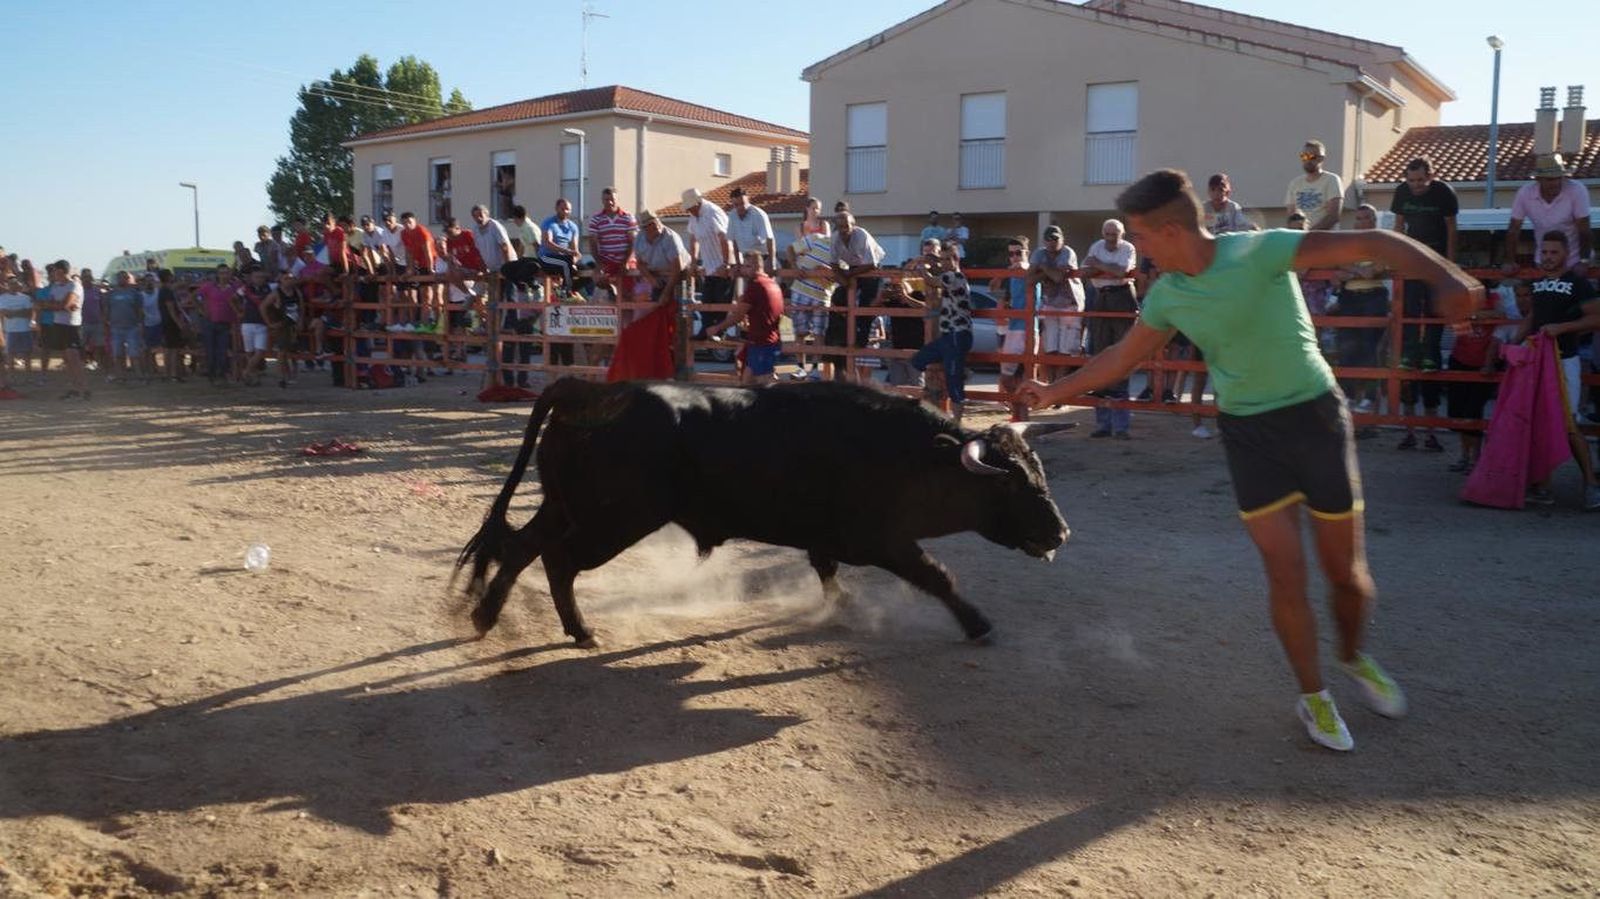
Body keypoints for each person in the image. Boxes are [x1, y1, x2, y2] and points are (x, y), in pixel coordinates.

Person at [1020, 168, 1483, 752]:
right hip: (1248, 434)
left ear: (1170, 231)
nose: (1135, 246)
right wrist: (1053, 391)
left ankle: (1352, 656)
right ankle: (1314, 695)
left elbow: (1373, 242)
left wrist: (1448, 275)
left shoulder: (1260, 251)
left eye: (1140, 235)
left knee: (1346, 576)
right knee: (1285, 574)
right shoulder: (1168, 295)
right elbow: (1121, 357)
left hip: (1316, 419)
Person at [1510, 230, 1600, 509]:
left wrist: (1562, 328)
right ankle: (1543, 487)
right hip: (1537, 361)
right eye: (1545, 252)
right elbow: (1533, 318)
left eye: (1554, 252)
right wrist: (1513, 345)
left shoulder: (1578, 284)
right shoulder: (1538, 285)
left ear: (1566, 254)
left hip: (1565, 360)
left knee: (1569, 424)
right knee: (1537, 423)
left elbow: (1596, 318)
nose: (1548, 257)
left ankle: (1591, 485)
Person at [1331, 205, 1397, 423]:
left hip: (1373, 296)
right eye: (1358, 218)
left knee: (1370, 347)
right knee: (1346, 347)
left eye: (1365, 218)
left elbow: (1377, 268)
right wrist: (1358, 270)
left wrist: (1351, 272)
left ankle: (1369, 397)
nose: (1361, 222)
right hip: (1349, 297)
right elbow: (1339, 264)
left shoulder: (1382, 241)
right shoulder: (1349, 242)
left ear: (1373, 220)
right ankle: (1348, 396)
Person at [1082, 219, 1138, 437]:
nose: (1110, 238)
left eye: (1114, 234)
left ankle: (1121, 425)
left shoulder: (1128, 248)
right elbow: (1085, 271)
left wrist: (1098, 265)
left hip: (1122, 298)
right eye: (1107, 234)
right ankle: (1103, 424)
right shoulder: (1096, 246)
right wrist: (1106, 268)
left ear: (1121, 234)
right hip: (1100, 298)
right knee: (1100, 357)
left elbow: (1122, 271)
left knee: (1123, 356)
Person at [911, 239, 974, 423]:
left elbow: (931, 280)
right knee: (919, 360)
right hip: (951, 335)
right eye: (943, 259)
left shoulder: (954, 277)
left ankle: (957, 421)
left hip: (957, 334)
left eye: (947, 259)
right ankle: (947, 381)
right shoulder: (953, 277)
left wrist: (922, 269)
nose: (944, 263)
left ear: (956, 259)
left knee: (954, 382)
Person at [1443, 287, 1504, 474]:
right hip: (1460, 359)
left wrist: (1471, 315)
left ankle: (1475, 458)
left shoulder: (1494, 297)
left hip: (1483, 362)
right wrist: (1475, 316)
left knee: (1473, 411)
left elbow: (1500, 314)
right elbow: (1454, 322)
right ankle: (1465, 456)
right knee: (1458, 412)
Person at [1504, 154, 1593, 274]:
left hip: (1575, 261)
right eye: (1550, 179)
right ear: (1538, 179)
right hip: (1544, 262)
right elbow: (1513, 229)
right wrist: (1509, 261)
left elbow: (1584, 229)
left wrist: (1584, 261)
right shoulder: (1525, 193)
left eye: (1559, 178)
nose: (1555, 183)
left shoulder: (1577, 190)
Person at [705, 251, 784, 385]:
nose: (743, 270)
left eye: (747, 266)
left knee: (766, 382)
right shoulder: (773, 284)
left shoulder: (756, 286)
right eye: (743, 266)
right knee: (747, 382)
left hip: (762, 343)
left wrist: (717, 328)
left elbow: (738, 316)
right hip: (767, 341)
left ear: (757, 266)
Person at [831, 210, 886, 383]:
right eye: (840, 227)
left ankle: (861, 340)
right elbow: (833, 264)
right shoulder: (834, 238)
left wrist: (848, 275)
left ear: (853, 225)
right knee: (838, 298)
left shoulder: (861, 235)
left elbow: (872, 264)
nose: (843, 230)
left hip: (870, 269)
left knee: (866, 304)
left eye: (846, 226)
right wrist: (844, 280)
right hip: (852, 270)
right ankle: (843, 336)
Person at [1028, 224, 1086, 384]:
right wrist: (1047, 272)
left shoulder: (1067, 252)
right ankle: (1053, 385)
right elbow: (1029, 279)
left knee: (1066, 351)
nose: (1052, 242)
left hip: (1070, 305)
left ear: (1062, 240)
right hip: (1050, 305)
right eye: (1048, 239)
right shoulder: (1039, 253)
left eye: (1055, 239)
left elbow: (1058, 277)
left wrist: (1043, 268)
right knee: (1050, 349)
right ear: (1044, 241)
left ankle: (1060, 386)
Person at [993, 236, 1036, 421]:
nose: (1015, 257)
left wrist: (1020, 269)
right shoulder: (1010, 274)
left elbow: (1032, 274)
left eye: (1019, 253)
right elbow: (994, 289)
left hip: (1028, 327)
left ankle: (1022, 414)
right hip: (1012, 327)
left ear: (1027, 253)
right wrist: (1004, 275)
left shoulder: (1031, 270)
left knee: (1025, 375)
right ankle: (1018, 410)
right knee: (1008, 376)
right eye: (1011, 254)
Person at [786, 228, 834, 380]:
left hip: (822, 296)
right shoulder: (816, 238)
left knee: (819, 334)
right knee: (800, 332)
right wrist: (794, 268)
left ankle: (814, 370)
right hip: (800, 290)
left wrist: (829, 271)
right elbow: (790, 249)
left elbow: (843, 277)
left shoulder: (845, 253)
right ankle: (800, 368)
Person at [586, 187, 638, 319]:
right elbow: (592, 243)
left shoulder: (628, 217)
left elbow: (633, 241)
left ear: (616, 199)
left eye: (612, 199)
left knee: (628, 293)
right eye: (606, 199)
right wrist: (599, 263)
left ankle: (628, 321)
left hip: (625, 259)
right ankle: (611, 291)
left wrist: (626, 261)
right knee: (598, 279)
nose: (609, 202)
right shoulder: (596, 219)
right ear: (602, 200)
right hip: (607, 260)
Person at [42, 261, 89, 399]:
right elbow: (49, 304)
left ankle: (84, 389)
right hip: (58, 324)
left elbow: (65, 304)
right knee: (66, 359)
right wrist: (58, 305)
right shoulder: (55, 287)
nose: (53, 275)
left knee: (74, 358)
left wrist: (58, 305)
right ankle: (74, 388)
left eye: (55, 271)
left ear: (62, 271)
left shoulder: (74, 285)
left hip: (72, 325)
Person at [1285, 139, 1343, 231]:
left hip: (1324, 237)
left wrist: (1310, 234)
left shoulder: (1332, 180)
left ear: (1321, 158)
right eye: (1304, 156)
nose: (1307, 160)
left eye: (1312, 157)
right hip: (1300, 237)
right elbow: (1291, 217)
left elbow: (1333, 216)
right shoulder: (1295, 184)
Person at [260, 273, 305, 389]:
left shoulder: (297, 292)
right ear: (280, 280)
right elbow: (263, 306)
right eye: (286, 278)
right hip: (282, 325)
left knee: (294, 351)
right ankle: (282, 377)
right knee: (282, 352)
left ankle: (293, 374)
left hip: (294, 325)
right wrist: (270, 323)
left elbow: (301, 308)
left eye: (291, 278)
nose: (289, 280)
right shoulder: (276, 293)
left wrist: (300, 321)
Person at [196, 264, 237, 386]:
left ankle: (221, 375)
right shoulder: (209, 286)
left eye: (226, 273)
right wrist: (202, 310)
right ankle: (213, 375)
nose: (224, 275)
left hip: (226, 323)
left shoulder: (234, 287)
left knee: (223, 351)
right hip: (210, 322)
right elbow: (195, 296)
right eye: (222, 273)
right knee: (211, 351)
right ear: (218, 275)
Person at [104, 271, 146, 382]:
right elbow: (107, 310)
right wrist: (106, 324)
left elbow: (140, 310)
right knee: (118, 354)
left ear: (128, 279)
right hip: (115, 328)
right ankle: (121, 376)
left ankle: (139, 376)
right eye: (120, 278)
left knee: (134, 354)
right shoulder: (111, 294)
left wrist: (140, 324)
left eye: (124, 278)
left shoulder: (135, 294)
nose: (122, 279)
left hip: (132, 328)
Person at [538, 198, 583, 293]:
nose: (565, 211)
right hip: (546, 257)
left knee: (588, 268)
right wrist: (567, 252)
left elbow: (575, 250)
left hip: (565, 259)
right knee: (565, 264)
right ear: (556, 208)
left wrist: (574, 260)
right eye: (563, 209)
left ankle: (569, 290)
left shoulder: (573, 227)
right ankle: (566, 292)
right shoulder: (549, 223)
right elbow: (548, 243)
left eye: (568, 209)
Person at [726, 187, 776, 272]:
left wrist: (771, 263)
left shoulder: (758, 215)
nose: (740, 207)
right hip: (746, 261)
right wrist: (738, 263)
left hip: (762, 260)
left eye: (743, 204)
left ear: (748, 201)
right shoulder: (732, 216)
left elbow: (770, 239)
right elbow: (734, 240)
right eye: (736, 205)